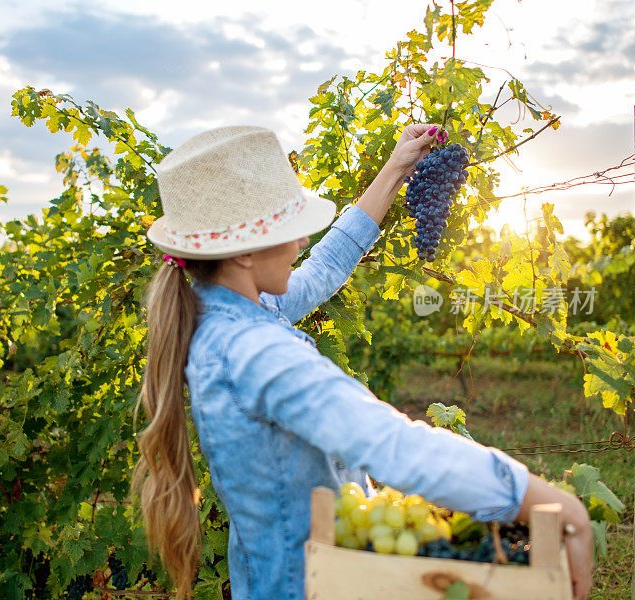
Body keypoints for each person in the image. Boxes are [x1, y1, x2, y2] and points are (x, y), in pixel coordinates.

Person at [129, 124, 593, 600]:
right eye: (291, 230)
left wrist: (395, 169)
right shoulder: (256, 353)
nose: (300, 243)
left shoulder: (230, 312)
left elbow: (324, 267)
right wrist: (544, 499)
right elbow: (388, 443)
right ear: (245, 253)